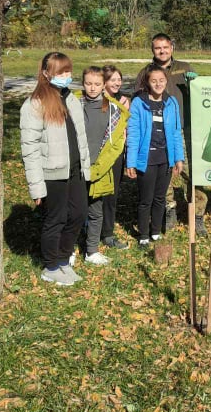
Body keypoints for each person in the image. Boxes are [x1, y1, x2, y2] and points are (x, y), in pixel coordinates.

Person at [20, 52, 90, 286]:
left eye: (68, 71)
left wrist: (85, 169)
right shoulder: (35, 104)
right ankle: (50, 267)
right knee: (56, 219)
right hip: (52, 173)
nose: (66, 76)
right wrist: (37, 187)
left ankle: (62, 260)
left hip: (75, 170)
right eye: (60, 72)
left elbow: (79, 137)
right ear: (46, 73)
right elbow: (29, 149)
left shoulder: (70, 98)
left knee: (78, 214)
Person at [135, 33, 208, 235]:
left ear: (172, 48)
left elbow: (203, 94)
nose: (162, 51)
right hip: (158, 132)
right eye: (158, 48)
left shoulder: (186, 68)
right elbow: (137, 101)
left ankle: (197, 215)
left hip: (185, 128)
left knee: (193, 173)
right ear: (152, 50)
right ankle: (169, 210)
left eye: (165, 47)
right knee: (163, 174)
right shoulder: (145, 73)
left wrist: (195, 83)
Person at [76, 66, 131, 264]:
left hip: (100, 167)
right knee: (75, 210)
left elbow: (116, 142)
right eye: (88, 83)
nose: (92, 88)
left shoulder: (114, 109)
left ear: (103, 86)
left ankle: (91, 250)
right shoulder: (73, 104)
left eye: (97, 84)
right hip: (77, 166)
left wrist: (101, 165)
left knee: (96, 210)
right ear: (83, 83)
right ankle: (68, 250)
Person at [126, 67, 184, 247]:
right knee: (146, 199)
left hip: (165, 158)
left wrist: (178, 158)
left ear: (166, 81)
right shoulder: (138, 103)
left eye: (161, 80)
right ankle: (143, 234)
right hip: (147, 159)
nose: (158, 84)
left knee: (160, 198)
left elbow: (175, 132)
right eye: (154, 81)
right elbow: (133, 134)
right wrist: (131, 162)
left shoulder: (172, 102)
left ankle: (156, 231)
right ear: (147, 83)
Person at [100, 65, 130, 249]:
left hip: (117, 155)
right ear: (104, 82)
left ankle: (108, 233)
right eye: (113, 79)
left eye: (119, 79)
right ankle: (90, 226)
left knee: (112, 194)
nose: (117, 83)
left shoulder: (124, 101)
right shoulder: (95, 100)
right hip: (98, 155)